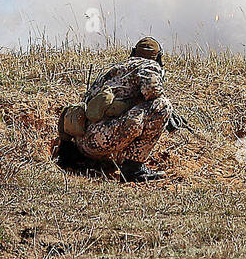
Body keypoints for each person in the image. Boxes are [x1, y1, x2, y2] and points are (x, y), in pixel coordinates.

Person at [58, 37, 173, 181]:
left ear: (133, 53)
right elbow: (151, 90)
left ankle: (84, 159)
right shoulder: (149, 65)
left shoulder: (113, 70)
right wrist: (170, 113)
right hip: (104, 140)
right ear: (159, 57)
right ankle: (133, 169)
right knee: (163, 105)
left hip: (82, 143)